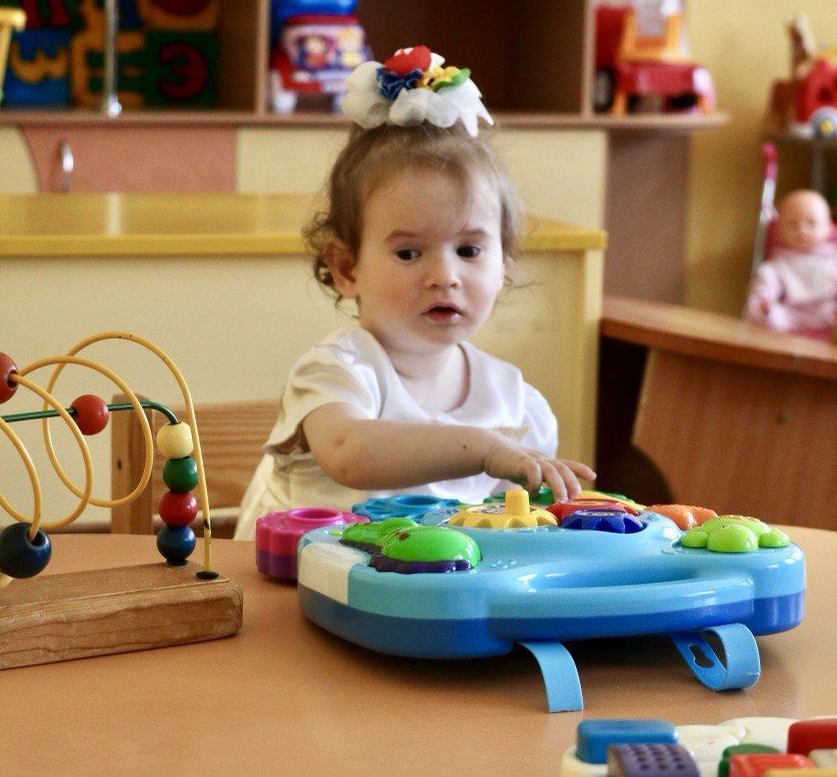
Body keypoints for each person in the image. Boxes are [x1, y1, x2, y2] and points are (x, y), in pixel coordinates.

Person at [233, 45, 594, 539]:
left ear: (503, 267)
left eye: (469, 251)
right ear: (346, 269)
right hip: (289, 581)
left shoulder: (517, 405)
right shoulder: (337, 372)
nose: (444, 276)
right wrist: (483, 449)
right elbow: (348, 453)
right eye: (408, 253)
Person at [744, 189, 837, 336]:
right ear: (779, 230)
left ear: (828, 227)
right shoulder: (778, 263)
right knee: (770, 314)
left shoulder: (836, 260)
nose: (802, 230)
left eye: (811, 223)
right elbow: (766, 282)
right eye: (792, 224)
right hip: (790, 314)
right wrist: (764, 300)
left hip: (825, 313)